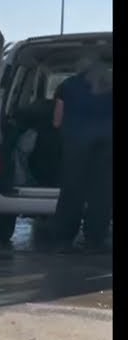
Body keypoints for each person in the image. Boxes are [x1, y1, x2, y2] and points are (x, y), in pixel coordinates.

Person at [51, 58, 113, 250]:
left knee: (71, 190)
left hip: (76, 143)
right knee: (101, 192)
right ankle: (95, 237)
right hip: (106, 144)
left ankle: (64, 238)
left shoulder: (66, 85)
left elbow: (57, 121)